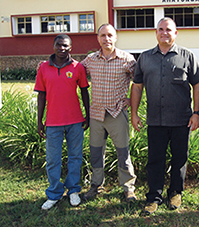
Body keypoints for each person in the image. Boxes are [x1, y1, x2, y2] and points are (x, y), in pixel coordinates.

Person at [131, 17, 199, 214]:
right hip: (156, 120)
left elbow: (197, 84)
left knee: (180, 158)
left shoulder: (187, 56)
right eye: (161, 29)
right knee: (155, 159)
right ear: (156, 32)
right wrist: (134, 113)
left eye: (169, 30)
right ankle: (154, 196)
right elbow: (137, 87)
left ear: (176, 33)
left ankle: (175, 193)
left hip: (182, 119)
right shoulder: (145, 58)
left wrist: (197, 113)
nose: (165, 33)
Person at [81, 23, 137, 202]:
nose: (107, 39)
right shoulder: (90, 60)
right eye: (103, 35)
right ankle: (96, 185)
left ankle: (128, 188)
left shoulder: (127, 59)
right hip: (96, 114)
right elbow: (74, 72)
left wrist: (132, 100)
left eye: (110, 35)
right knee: (96, 152)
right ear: (98, 38)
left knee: (123, 153)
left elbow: (140, 82)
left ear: (116, 37)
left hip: (117, 113)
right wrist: (49, 66)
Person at [35, 34, 90, 210]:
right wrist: (39, 120)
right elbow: (41, 96)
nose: (62, 48)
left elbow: (84, 92)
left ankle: (73, 190)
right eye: (59, 45)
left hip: (75, 121)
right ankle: (54, 193)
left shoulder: (78, 67)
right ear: (53, 46)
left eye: (65, 45)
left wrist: (87, 115)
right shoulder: (43, 68)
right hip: (52, 122)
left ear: (70, 47)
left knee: (75, 157)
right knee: (53, 160)